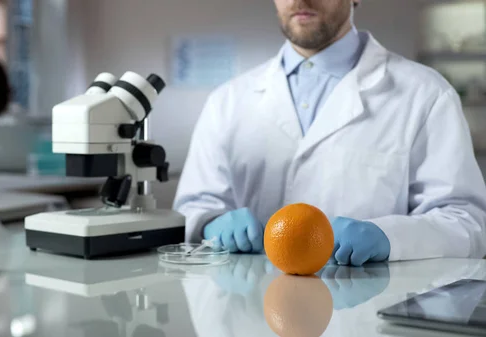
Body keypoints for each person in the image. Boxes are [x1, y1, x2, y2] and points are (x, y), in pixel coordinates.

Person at [173, 0, 486, 265]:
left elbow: (466, 223)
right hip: (250, 312)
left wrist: (390, 238)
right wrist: (211, 223)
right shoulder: (227, 100)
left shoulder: (425, 94)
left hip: (367, 317)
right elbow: (192, 209)